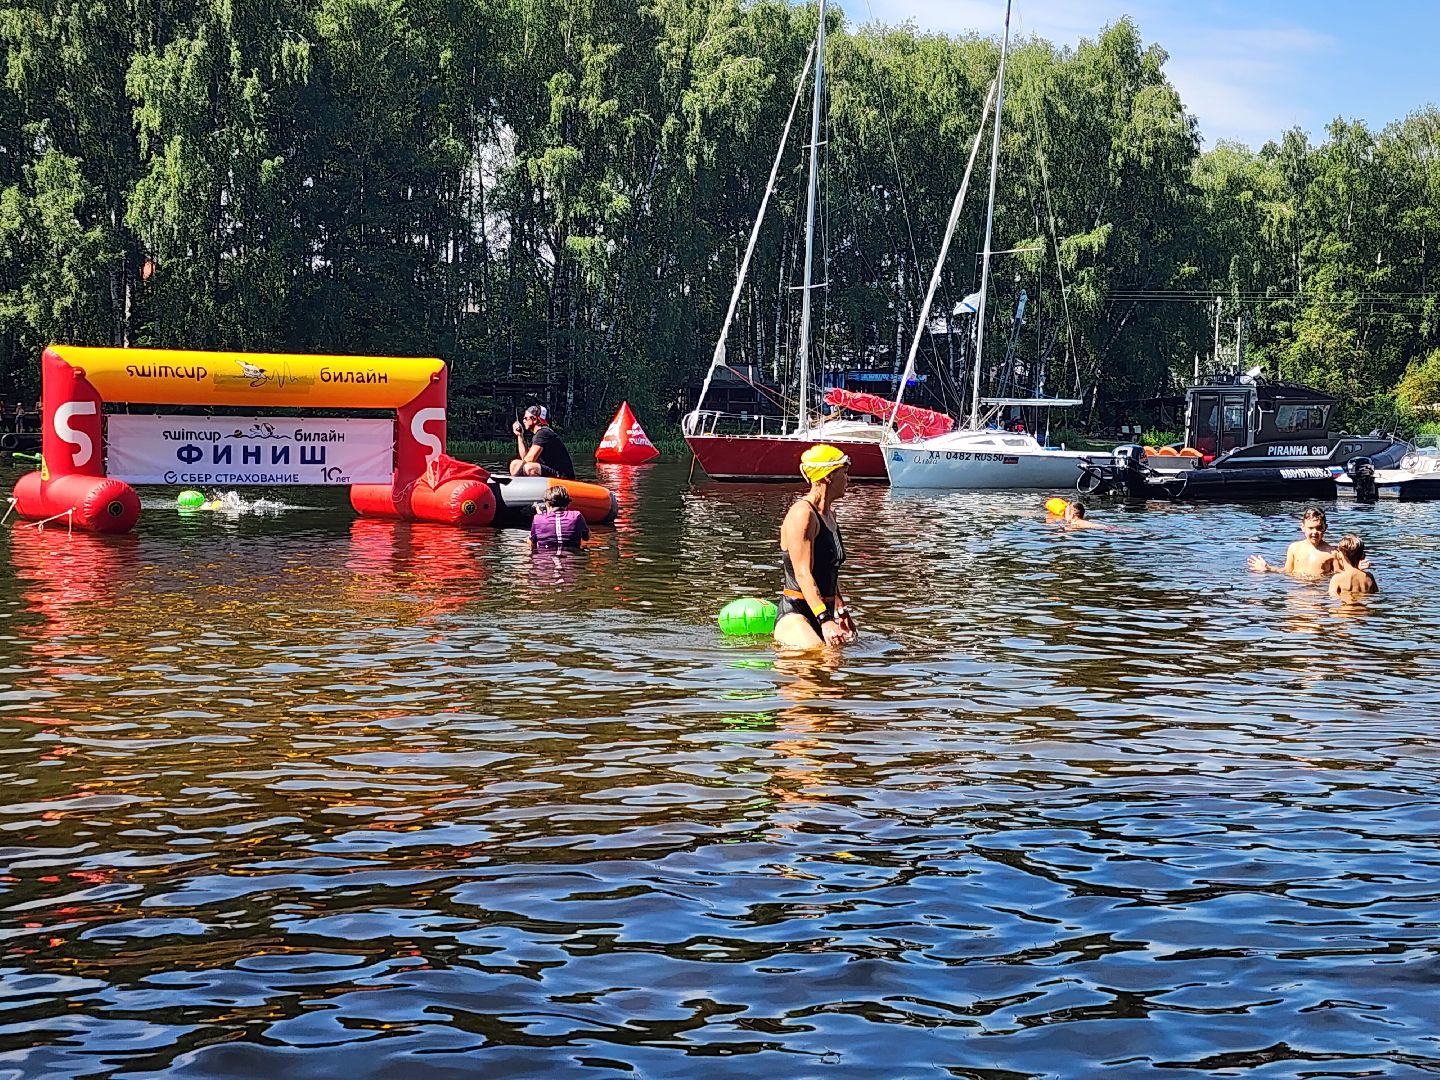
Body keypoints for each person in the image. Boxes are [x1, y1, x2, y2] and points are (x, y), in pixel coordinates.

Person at [775, 444, 857, 650]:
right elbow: (803, 575)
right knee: (822, 657)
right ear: (828, 476)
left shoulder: (831, 516)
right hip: (796, 614)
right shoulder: (803, 514)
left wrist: (840, 610)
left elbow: (829, 571)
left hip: (824, 612)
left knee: (835, 671)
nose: (848, 480)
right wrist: (824, 619)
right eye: (844, 473)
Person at [1248, 506, 1336, 578]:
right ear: (1302, 527)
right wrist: (1268, 569)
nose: (1314, 532)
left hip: (1318, 592)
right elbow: (1287, 570)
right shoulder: (1294, 548)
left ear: (1325, 528)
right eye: (1310, 528)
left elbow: (1339, 575)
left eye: (1319, 528)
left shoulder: (1332, 553)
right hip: (1296, 589)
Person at [509, 404, 575, 479]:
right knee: (515, 464)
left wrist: (513, 478)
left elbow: (529, 459)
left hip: (563, 476)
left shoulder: (543, 433)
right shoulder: (539, 435)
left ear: (534, 419)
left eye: (525, 418)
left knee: (529, 468)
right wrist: (520, 436)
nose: (523, 421)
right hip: (551, 472)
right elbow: (525, 457)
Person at [528, 485, 590, 551]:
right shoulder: (576, 516)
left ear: (547, 504)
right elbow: (586, 537)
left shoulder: (538, 518)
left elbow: (531, 542)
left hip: (544, 559)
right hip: (571, 558)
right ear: (567, 503)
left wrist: (541, 516)